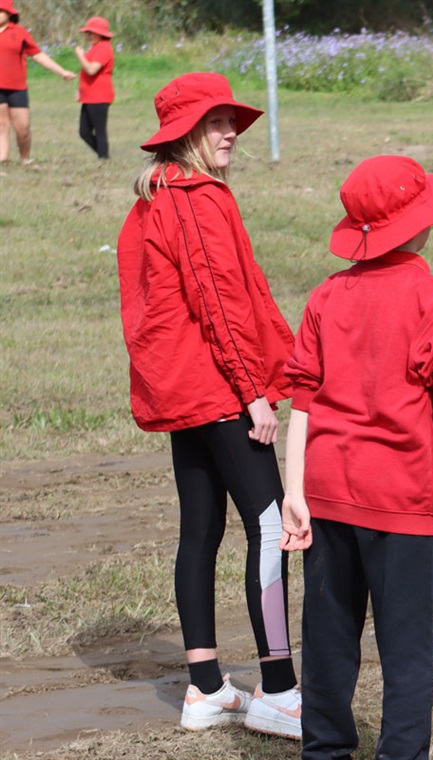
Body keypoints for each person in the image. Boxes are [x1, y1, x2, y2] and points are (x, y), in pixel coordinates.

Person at [279, 155, 433, 760]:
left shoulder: (326, 295)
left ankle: (323, 752)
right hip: (402, 505)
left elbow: (302, 398)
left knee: (327, 644)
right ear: (422, 225)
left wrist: (293, 491)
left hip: (324, 493)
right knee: (407, 655)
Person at [116, 72, 302, 738]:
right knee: (273, 525)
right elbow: (218, 303)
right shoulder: (196, 199)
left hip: (181, 389)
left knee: (201, 528)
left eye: (231, 121)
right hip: (217, 389)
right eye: (216, 122)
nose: (230, 133)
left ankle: (205, 689)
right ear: (184, 134)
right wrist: (253, 390)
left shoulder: (156, 196)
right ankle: (279, 689)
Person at [0, 0, 76, 163]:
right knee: (2, 126)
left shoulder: (20, 33)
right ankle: (3, 160)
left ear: (9, 14)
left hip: (17, 88)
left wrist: (61, 72)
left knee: (23, 128)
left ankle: (25, 158)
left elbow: (38, 55)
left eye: (1, 11)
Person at [73, 16, 114, 159]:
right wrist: (80, 90)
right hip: (89, 96)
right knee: (84, 131)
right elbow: (86, 73)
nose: (88, 36)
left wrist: (80, 55)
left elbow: (91, 69)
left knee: (99, 130)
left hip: (99, 95)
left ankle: (103, 156)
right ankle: (103, 155)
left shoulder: (104, 48)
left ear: (100, 34)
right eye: (87, 33)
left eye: (92, 33)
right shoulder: (96, 48)